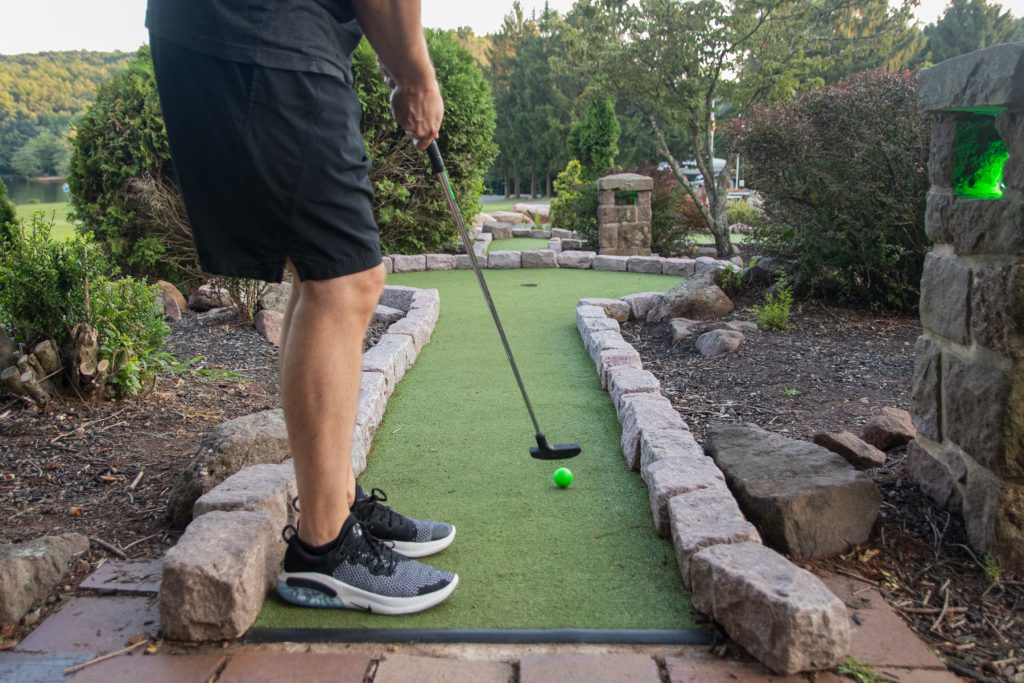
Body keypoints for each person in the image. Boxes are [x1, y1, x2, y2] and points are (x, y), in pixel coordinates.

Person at [146, 0, 458, 614]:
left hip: (252, 35)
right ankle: (324, 548)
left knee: (321, 275)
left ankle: (337, 501)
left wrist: (401, 69)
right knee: (350, 280)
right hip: (266, 35)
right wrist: (416, 77)